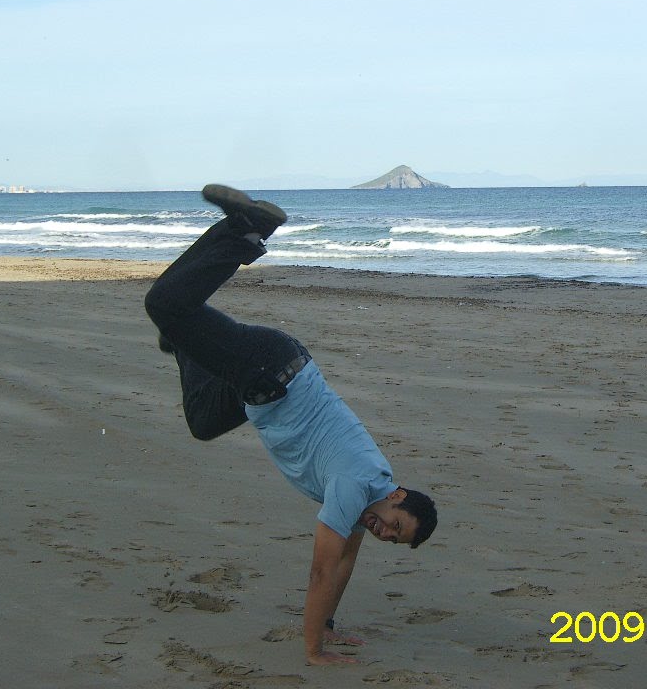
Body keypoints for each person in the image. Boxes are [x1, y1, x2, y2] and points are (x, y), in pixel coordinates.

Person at [144, 185, 438, 666]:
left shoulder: (370, 493)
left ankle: (182, 343)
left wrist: (326, 623)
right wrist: (313, 651)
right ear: (399, 497)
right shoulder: (355, 485)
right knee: (166, 305)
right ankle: (248, 228)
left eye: (392, 540)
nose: (385, 533)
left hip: (262, 389)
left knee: (201, 418)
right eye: (395, 526)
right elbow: (322, 572)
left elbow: (345, 562)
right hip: (269, 370)